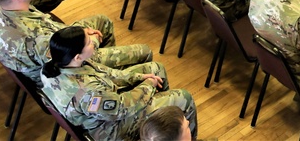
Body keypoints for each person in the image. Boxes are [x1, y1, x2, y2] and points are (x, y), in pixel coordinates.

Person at [0, 0, 153, 81]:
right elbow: (71, 58)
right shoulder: (37, 40)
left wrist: (81, 32)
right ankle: (109, 79)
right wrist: (90, 39)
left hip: (57, 48)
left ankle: (109, 74)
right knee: (144, 52)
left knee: (102, 21)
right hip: (67, 71)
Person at [40, 26, 197, 141]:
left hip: (106, 109)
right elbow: (121, 108)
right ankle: (172, 132)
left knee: (156, 69)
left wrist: (139, 77)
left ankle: (162, 130)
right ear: (77, 56)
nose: (93, 44)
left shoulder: (57, 64)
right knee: (184, 98)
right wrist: (148, 85)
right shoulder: (87, 93)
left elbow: (107, 74)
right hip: (112, 130)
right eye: (89, 43)